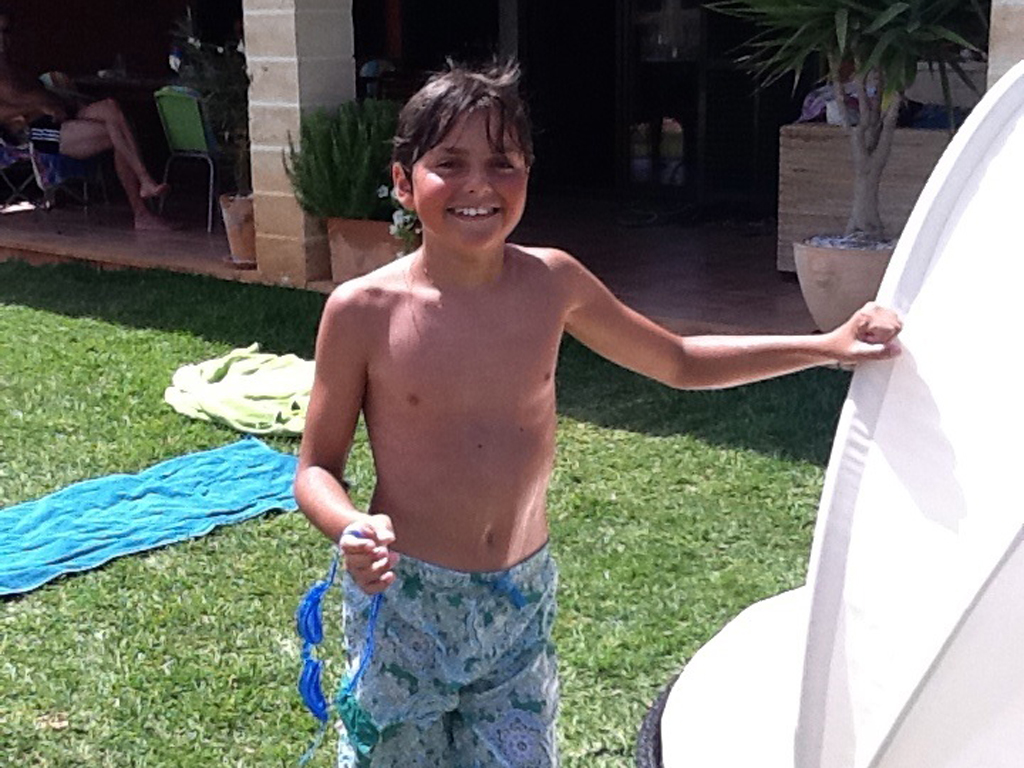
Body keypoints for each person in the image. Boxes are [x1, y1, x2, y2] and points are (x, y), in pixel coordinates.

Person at [294, 61, 902, 767]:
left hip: (519, 599)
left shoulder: (553, 283)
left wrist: (825, 346)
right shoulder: (363, 311)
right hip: (407, 599)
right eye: (449, 164)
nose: (479, 185)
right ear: (404, 181)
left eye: (502, 163)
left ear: (527, 174)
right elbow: (315, 469)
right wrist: (351, 526)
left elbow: (679, 359)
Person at [0, 8, 170, 230]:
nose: (3, 39)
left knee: (111, 107)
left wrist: (61, 100)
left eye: (5, 31)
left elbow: (39, 92)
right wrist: (36, 106)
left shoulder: (14, 66)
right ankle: (142, 210)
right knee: (117, 133)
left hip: (62, 114)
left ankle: (145, 182)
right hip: (35, 133)